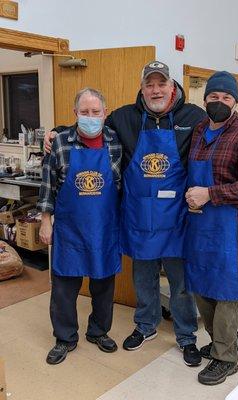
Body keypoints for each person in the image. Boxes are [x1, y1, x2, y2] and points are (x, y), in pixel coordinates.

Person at [45, 61, 207, 367]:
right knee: (143, 277)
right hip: (139, 217)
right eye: (150, 84)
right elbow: (85, 126)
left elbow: (219, 130)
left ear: (172, 86)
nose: (156, 90)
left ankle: (187, 336)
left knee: (180, 281)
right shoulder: (124, 117)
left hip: (175, 217)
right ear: (142, 88)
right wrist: (57, 132)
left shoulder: (193, 116)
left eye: (161, 84)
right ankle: (146, 326)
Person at [185, 71, 238, 385]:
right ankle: (224, 338)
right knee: (202, 287)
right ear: (204, 99)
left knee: (228, 291)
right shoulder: (199, 131)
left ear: (235, 102)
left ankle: (225, 358)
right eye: (213, 97)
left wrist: (211, 194)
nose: (219, 102)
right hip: (199, 223)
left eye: (226, 98)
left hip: (230, 226)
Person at [37, 88, 122, 365]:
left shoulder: (116, 141)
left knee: (104, 285)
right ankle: (65, 337)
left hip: (105, 228)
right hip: (70, 229)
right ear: (75, 114)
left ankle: (98, 332)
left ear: (105, 113)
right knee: (64, 286)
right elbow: (48, 186)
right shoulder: (60, 142)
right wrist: (45, 222)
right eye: (84, 112)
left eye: (95, 112)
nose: (90, 117)